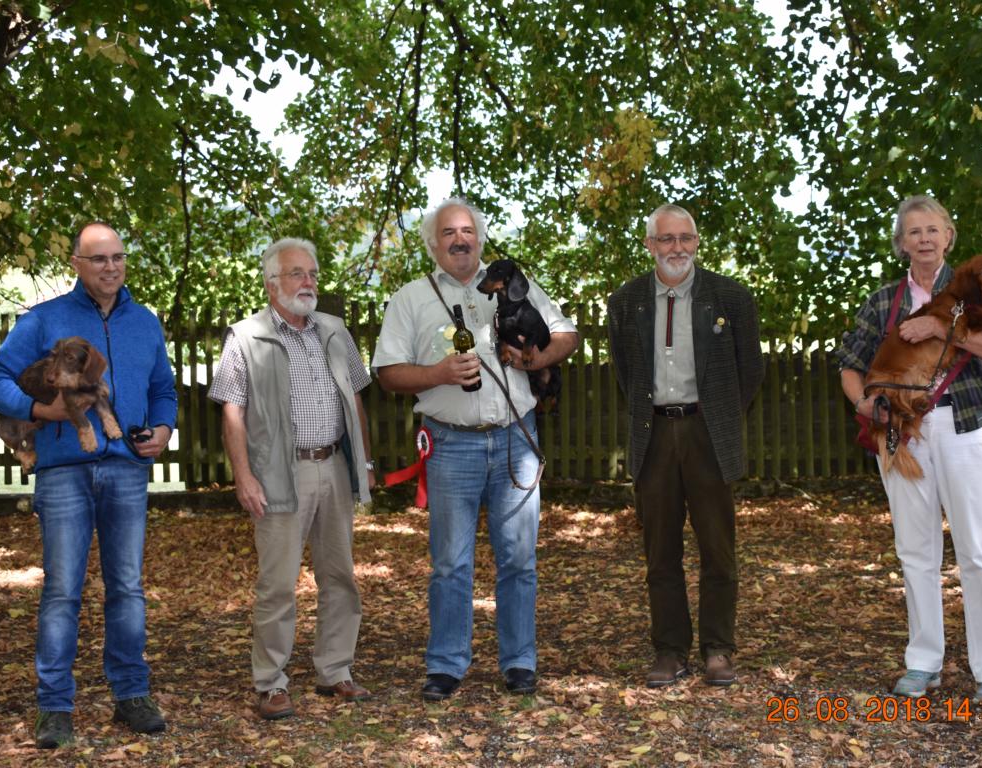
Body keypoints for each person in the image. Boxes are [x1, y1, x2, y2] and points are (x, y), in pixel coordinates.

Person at [0, 222, 178, 748]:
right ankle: (54, 707)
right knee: (62, 590)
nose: (111, 267)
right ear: (76, 264)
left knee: (127, 587)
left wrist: (162, 429)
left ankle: (132, 695)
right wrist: (38, 409)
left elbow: (164, 389)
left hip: (127, 470)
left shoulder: (145, 322)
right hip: (63, 471)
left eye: (117, 257)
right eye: (98, 259)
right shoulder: (44, 319)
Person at [372, 197, 578, 701]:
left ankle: (519, 662)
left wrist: (534, 362)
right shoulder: (410, 299)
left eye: (467, 231)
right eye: (448, 233)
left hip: (515, 441)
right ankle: (446, 665)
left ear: (480, 239)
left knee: (519, 560)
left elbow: (567, 335)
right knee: (449, 563)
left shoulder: (513, 283)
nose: (459, 240)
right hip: (450, 445)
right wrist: (437, 373)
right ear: (433, 244)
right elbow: (388, 373)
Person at [837, 194, 982, 704]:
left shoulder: (972, 290)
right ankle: (923, 664)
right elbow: (849, 364)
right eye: (914, 232)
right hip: (902, 432)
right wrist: (866, 404)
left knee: (976, 550)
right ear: (901, 243)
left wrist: (942, 328)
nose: (924, 239)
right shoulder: (883, 301)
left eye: (932, 230)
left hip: (966, 428)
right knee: (915, 550)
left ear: (948, 237)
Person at [208, 238, 377, 720]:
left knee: (340, 575)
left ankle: (335, 669)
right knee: (279, 583)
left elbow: (355, 398)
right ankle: (271, 682)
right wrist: (244, 476)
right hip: (280, 473)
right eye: (297, 273)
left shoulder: (335, 331)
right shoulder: (246, 337)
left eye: (312, 273)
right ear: (272, 284)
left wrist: (363, 462)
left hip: (334, 466)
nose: (309, 282)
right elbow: (232, 411)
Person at [607, 204, 764, 688]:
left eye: (686, 238)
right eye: (667, 239)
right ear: (650, 244)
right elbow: (625, 373)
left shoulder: (730, 297)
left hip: (708, 434)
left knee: (718, 549)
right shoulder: (626, 301)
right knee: (660, 553)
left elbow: (750, 371)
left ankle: (718, 649)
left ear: (696, 242)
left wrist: (718, 416)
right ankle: (670, 650)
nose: (677, 247)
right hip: (654, 434)